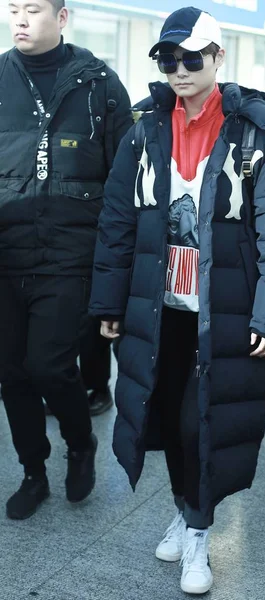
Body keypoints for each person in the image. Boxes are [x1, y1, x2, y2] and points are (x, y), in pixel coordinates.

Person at [89, 6, 265, 595]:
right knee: (164, 421)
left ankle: (198, 531)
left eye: (192, 58)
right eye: (169, 59)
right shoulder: (144, 131)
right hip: (157, 310)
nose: (180, 70)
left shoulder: (257, 136)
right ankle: (189, 509)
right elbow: (117, 221)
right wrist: (109, 302)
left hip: (226, 312)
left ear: (218, 57)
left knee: (198, 426)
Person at [0, 0, 132, 520]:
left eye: (32, 9)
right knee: (11, 373)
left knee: (50, 366)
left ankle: (81, 444)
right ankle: (34, 472)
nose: (20, 20)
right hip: (6, 254)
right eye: (12, 9)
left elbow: (125, 180)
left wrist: (119, 265)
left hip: (72, 254)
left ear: (62, 16)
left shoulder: (99, 84)